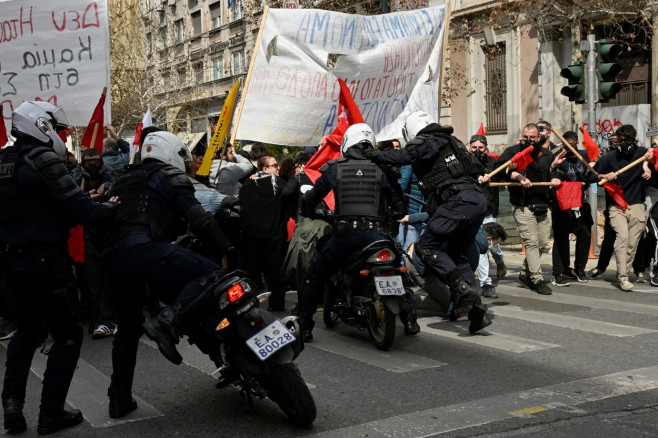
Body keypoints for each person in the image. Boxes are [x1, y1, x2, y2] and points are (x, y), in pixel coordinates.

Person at [0, 101, 117, 434]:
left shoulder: (4, 161)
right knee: (66, 336)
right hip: (47, 264)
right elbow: (80, 209)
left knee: (26, 332)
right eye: (60, 131)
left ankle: (12, 405)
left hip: (11, 263)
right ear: (41, 125)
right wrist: (108, 207)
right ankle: (50, 414)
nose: (62, 138)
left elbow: (36, 208)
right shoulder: (44, 159)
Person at [101, 131, 230, 418]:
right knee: (210, 274)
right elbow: (199, 219)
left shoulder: (123, 179)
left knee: (128, 328)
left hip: (113, 256)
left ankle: (119, 398)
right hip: (145, 249)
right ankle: (166, 323)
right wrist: (223, 250)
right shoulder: (169, 176)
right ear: (173, 153)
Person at [364, 112, 492, 332]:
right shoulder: (453, 142)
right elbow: (476, 168)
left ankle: (461, 288)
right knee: (459, 256)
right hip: (476, 201)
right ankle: (476, 309)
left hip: (456, 201)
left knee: (424, 248)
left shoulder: (429, 141)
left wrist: (371, 154)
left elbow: (402, 157)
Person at [297, 123, 411, 341]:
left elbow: (311, 198)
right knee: (397, 267)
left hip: (345, 236)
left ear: (348, 143)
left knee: (316, 275)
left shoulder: (335, 168)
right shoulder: (382, 169)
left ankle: (305, 326)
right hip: (377, 235)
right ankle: (410, 320)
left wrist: (309, 210)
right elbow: (399, 209)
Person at [495, 123, 558, 295]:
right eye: (526, 137)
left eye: (533, 137)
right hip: (523, 206)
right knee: (531, 241)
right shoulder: (513, 151)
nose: (529, 140)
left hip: (543, 205)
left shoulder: (546, 154)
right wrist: (518, 176)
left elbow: (555, 171)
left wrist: (556, 177)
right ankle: (536, 279)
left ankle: (524, 273)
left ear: (539, 138)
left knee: (543, 243)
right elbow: (500, 170)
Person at [593, 124, 651, 291]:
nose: (620, 144)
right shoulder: (609, 158)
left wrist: (646, 164)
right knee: (622, 239)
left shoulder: (641, 153)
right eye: (618, 140)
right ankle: (623, 277)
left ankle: (623, 271)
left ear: (632, 141)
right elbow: (591, 174)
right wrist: (604, 175)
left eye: (624, 141)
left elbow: (653, 155)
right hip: (617, 205)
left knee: (632, 244)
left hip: (636, 205)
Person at [239, 154, 298, 311]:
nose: (277, 168)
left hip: (253, 237)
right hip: (274, 236)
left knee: (254, 273)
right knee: (275, 272)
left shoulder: (247, 185)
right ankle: (277, 304)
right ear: (264, 168)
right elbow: (289, 201)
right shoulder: (278, 184)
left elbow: (242, 207)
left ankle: (250, 305)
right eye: (274, 165)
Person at [548, 131, 598, 286]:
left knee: (584, 235)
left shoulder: (585, 156)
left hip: (580, 202)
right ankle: (559, 271)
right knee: (561, 238)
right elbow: (551, 174)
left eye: (572, 143)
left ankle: (580, 269)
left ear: (577, 143)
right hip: (562, 203)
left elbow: (592, 175)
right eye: (566, 144)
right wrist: (553, 173)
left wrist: (600, 173)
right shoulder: (556, 158)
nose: (569, 147)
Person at [468, 134, 505, 298]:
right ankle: (486, 283)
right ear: (469, 148)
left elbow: (506, 175)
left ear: (486, 148)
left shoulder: (493, 163)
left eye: (480, 148)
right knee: (482, 247)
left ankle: (499, 259)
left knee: (491, 245)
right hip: (471, 210)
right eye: (474, 147)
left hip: (488, 210)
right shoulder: (464, 164)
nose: (477, 151)